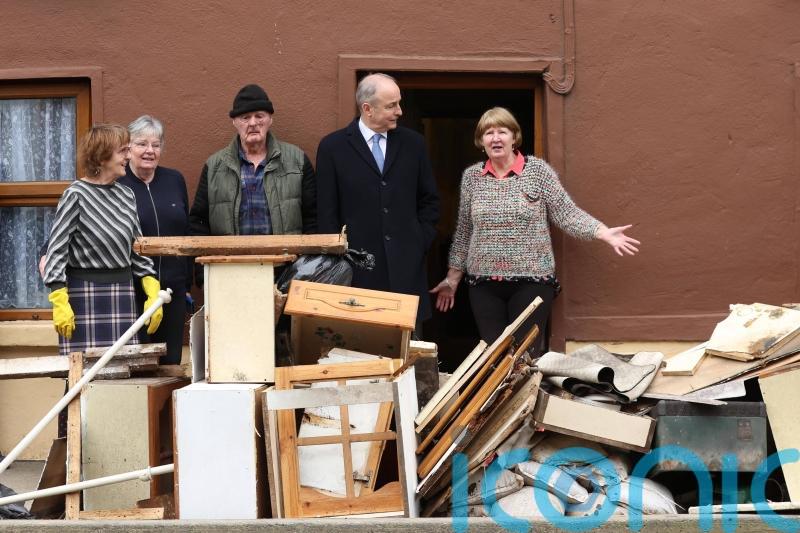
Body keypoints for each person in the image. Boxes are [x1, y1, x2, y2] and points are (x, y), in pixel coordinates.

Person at [430, 107, 640, 348]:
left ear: (514, 137)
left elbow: (566, 213)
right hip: (484, 285)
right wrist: (452, 279)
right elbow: (465, 231)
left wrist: (602, 232)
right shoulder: (472, 177)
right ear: (481, 140)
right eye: (489, 133)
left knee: (524, 355)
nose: (496, 138)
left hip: (531, 281)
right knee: (492, 355)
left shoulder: (537, 172)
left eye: (502, 131)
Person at [316, 73, 440, 333]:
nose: (399, 111)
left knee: (409, 358)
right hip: (357, 275)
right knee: (360, 357)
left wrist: (419, 241)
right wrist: (340, 261)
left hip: (406, 275)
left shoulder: (413, 144)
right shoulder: (333, 147)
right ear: (367, 109)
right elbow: (327, 213)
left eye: (399, 103)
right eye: (391, 105)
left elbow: (429, 201)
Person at [43, 124, 163, 357]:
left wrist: (152, 289)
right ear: (101, 155)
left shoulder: (126, 195)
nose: (128, 157)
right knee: (82, 378)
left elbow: (136, 249)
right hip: (83, 295)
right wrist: (59, 299)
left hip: (122, 293)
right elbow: (56, 250)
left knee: (122, 374)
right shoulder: (76, 194)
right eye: (123, 151)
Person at [189, 84, 317, 246]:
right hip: (230, 267)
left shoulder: (297, 161)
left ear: (270, 120)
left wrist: (305, 268)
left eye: (259, 116)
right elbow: (198, 223)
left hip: (287, 267)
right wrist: (205, 271)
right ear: (234, 122)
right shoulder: (214, 167)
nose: (253, 123)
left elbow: (312, 219)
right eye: (245, 117)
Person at [118, 115, 190, 365]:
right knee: (136, 366)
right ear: (127, 148)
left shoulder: (174, 180)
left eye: (156, 144)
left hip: (172, 292)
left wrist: (186, 281)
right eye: (141, 144)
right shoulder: (117, 182)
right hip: (132, 291)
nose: (149, 150)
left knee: (170, 364)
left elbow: (186, 230)